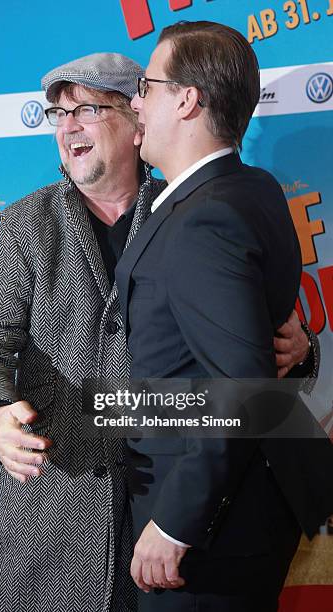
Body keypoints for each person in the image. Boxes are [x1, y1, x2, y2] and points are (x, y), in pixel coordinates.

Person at [0, 51, 316, 612]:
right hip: (56, 509)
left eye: (86, 109)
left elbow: (238, 348)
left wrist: (301, 348)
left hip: (172, 502)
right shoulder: (26, 223)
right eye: (58, 114)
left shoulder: (190, 205)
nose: (67, 126)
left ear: (136, 118)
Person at [115, 21, 333, 612]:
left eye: (147, 86)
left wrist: (176, 524)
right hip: (237, 503)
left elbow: (242, 388)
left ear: (187, 100)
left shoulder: (204, 220)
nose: (135, 101)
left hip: (208, 530)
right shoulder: (252, 188)